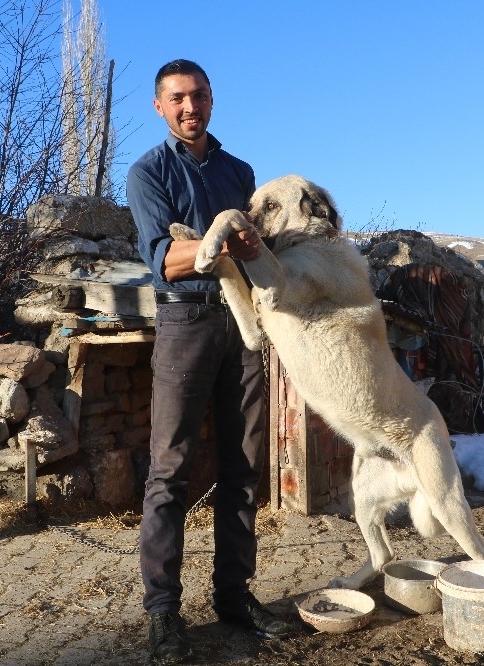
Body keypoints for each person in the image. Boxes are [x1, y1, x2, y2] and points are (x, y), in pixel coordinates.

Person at [126, 59, 298, 663]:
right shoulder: (147, 172)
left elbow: (256, 249)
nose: (188, 107)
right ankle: (164, 614)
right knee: (169, 469)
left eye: (197, 96)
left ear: (212, 99)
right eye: (176, 99)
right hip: (186, 322)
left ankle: (234, 595)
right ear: (159, 107)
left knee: (244, 464)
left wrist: (246, 244)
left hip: (245, 323)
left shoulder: (239, 172)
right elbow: (164, 260)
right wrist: (220, 243)